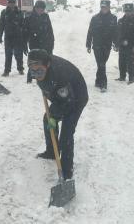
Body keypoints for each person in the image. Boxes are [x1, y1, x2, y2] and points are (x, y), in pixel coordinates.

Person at [29, 49, 88, 180]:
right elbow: (39, 77)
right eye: (33, 71)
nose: (36, 75)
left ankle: (66, 172)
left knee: (66, 133)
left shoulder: (59, 75)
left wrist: (54, 116)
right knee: (48, 119)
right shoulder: (39, 67)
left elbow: (68, 103)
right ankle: (51, 152)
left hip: (76, 97)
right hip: (60, 95)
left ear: (48, 66)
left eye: (39, 71)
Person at [86, 0, 118, 91]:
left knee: (101, 63)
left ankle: (98, 80)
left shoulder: (113, 18)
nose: (104, 9)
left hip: (107, 45)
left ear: (109, 7)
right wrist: (88, 45)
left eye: (106, 7)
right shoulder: (95, 18)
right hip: (97, 45)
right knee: (101, 64)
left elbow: (115, 32)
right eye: (102, 7)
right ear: (101, 7)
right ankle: (103, 84)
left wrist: (116, 44)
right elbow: (90, 32)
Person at [24, 0, 55, 83]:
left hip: (45, 42)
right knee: (34, 60)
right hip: (34, 42)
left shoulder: (46, 16)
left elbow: (50, 30)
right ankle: (30, 77)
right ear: (35, 8)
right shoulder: (29, 17)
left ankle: (44, 76)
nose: (40, 10)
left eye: (42, 9)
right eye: (39, 8)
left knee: (45, 60)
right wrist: (24, 44)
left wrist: (52, 42)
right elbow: (25, 32)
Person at [0, 0, 26, 76]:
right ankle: (7, 71)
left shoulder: (20, 12)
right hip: (8, 37)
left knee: (19, 54)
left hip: (18, 37)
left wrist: (23, 36)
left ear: (15, 2)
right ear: (8, 3)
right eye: (10, 2)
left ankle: (20, 69)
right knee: (8, 54)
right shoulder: (4, 12)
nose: (11, 4)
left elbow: (22, 25)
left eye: (13, 2)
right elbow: (1, 25)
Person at [116, 3, 134, 84]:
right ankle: (122, 76)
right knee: (121, 61)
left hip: (131, 46)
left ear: (132, 11)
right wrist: (118, 44)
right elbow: (117, 33)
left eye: (129, 11)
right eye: (126, 11)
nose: (128, 13)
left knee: (130, 62)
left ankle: (131, 78)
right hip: (122, 45)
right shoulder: (120, 21)